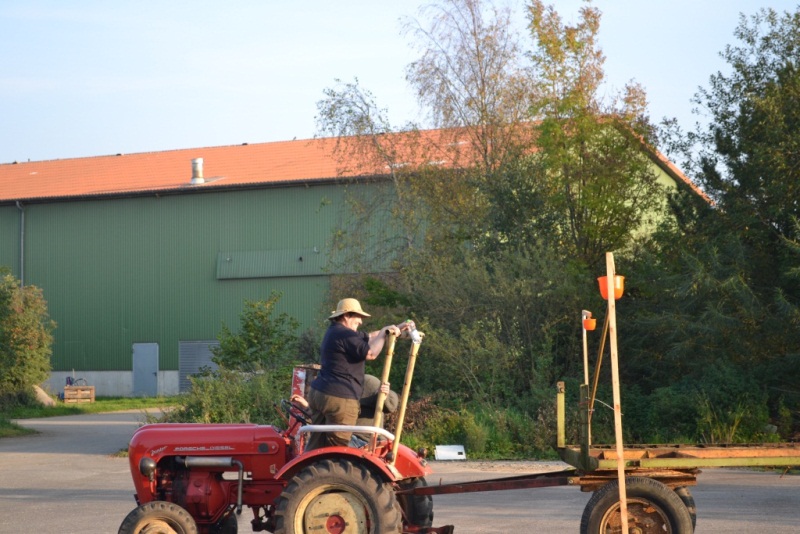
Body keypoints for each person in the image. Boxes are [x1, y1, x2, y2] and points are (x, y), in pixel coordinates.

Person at [305, 298, 412, 450]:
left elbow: (371, 336)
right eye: (358, 317)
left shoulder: (336, 331)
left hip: (319, 393)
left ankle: (311, 465)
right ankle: (336, 466)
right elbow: (371, 354)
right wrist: (384, 332)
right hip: (339, 398)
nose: (361, 321)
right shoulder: (345, 334)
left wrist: (395, 329)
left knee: (317, 446)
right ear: (346, 315)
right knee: (340, 449)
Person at [350, 374, 399, 448]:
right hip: (346, 435)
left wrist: (385, 394)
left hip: (363, 440)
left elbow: (392, 404)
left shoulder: (367, 381)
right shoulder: (337, 384)